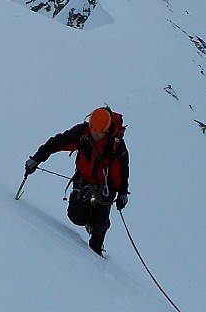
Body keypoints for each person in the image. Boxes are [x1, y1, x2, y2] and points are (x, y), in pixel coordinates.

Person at [25, 106, 129, 255]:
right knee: (77, 217)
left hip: (107, 183)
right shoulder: (82, 133)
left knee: (100, 225)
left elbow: (122, 169)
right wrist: (36, 159)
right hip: (84, 177)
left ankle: (96, 252)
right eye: (93, 130)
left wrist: (123, 192)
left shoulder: (116, 145)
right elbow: (57, 142)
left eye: (99, 132)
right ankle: (90, 214)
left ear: (107, 130)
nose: (95, 134)